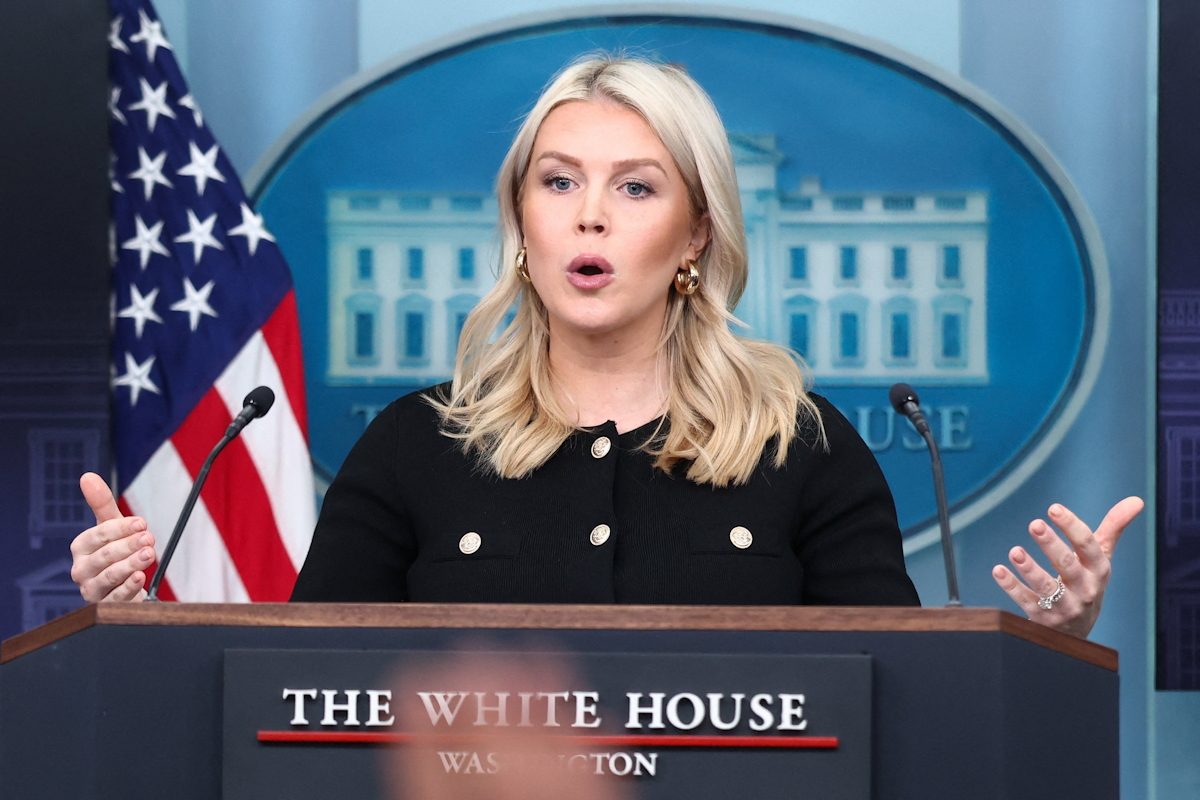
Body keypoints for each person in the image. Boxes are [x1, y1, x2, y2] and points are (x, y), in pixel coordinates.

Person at [69, 55, 1142, 637]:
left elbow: (900, 702)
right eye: (559, 181)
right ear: (523, 224)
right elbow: (297, 694)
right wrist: (128, 622)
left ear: (695, 232)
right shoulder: (413, 446)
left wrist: (1056, 630)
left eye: (635, 186)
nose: (589, 216)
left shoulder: (804, 447)